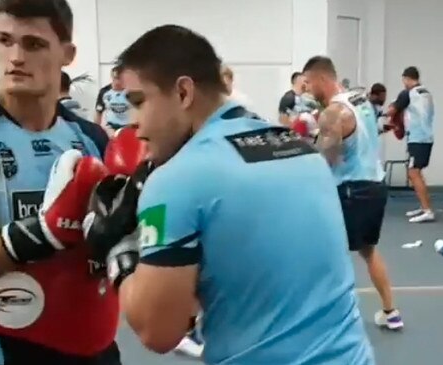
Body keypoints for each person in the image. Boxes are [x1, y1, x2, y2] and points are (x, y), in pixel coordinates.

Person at [82, 25, 375, 365]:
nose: (133, 121)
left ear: (183, 93)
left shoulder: (178, 178)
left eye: (139, 101)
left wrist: (117, 249)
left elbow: (158, 332)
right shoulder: (300, 149)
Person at [0, 0, 123, 363]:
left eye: (33, 44)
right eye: (5, 40)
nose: (15, 56)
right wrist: (43, 232)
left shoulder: (92, 138)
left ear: (67, 54)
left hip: (89, 345)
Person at [303, 56, 403, 331]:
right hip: (375, 184)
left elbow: (327, 159)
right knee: (368, 251)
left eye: (309, 83)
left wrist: (302, 141)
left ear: (322, 79)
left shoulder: (333, 113)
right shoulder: (360, 100)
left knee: (329, 253)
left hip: (350, 189)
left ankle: (333, 319)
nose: (308, 90)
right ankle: (390, 312)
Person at [385, 66, 435, 223]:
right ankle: (424, 207)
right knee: (416, 172)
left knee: (413, 173)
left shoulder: (408, 93)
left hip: (417, 138)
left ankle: (427, 210)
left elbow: (392, 110)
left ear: (406, 78)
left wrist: (385, 115)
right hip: (426, 136)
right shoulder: (425, 92)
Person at [94, 65, 133, 134]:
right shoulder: (104, 91)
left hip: (128, 127)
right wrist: (96, 131)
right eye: (115, 78)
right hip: (111, 127)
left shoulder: (131, 91)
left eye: (120, 79)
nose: (117, 82)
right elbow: (98, 112)